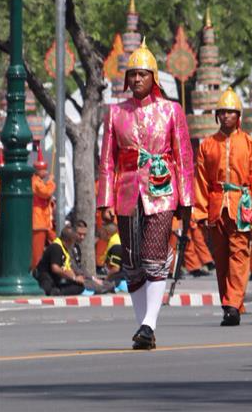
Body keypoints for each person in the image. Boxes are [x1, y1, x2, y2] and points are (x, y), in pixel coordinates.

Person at [96, 39, 195, 349]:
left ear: (154, 77)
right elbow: (107, 161)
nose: (137, 79)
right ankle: (143, 327)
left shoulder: (171, 110)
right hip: (126, 193)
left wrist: (187, 200)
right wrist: (105, 200)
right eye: (132, 74)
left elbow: (184, 157)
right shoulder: (114, 113)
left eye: (143, 74)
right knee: (132, 262)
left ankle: (150, 324)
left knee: (154, 256)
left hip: (162, 190)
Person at [194, 88, 252, 327]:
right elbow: (201, 181)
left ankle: (234, 304)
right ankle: (229, 302)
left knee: (239, 256)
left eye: (230, 112)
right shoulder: (207, 145)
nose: (226, 116)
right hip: (216, 208)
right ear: (217, 115)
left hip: (241, 207)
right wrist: (201, 212)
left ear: (239, 115)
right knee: (222, 259)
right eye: (222, 112)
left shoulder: (250, 144)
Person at [34, 227, 85, 296]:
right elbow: (55, 268)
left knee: (80, 286)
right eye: (73, 241)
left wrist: (75, 278)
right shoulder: (56, 247)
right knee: (46, 289)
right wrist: (74, 278)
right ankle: (54, 291)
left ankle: (58, 292)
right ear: (69, 240)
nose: (73, 244)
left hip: (57, 279)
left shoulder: (65, 249)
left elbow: (68, 267)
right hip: (46, 277)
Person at [31, 145, 56, 270]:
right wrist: (51, 182)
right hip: (38, 222)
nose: (46, 172)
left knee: (56, 242)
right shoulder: (35, 182)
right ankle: (36, 273)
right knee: (37, 253)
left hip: (45, 223)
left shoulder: (38, 182)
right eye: (44, 170)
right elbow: (46, 192)